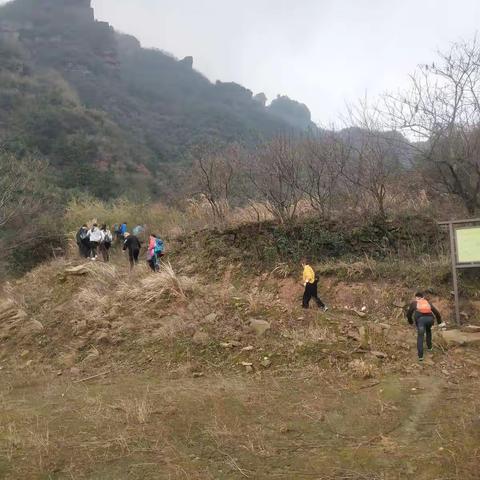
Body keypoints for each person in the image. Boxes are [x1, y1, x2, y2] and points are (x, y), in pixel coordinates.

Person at [407, 292, 446, 361]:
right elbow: (436, 312)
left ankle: (420, 356)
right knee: (428, 330)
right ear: (423, 297)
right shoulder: (427, 302)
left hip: (421, 321)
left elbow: (409, 313)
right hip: (430, 320)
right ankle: (429, 347)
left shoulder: (414, 303)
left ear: (416, 297)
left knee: (420, 336)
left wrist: (410, 322)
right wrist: (439, 322)